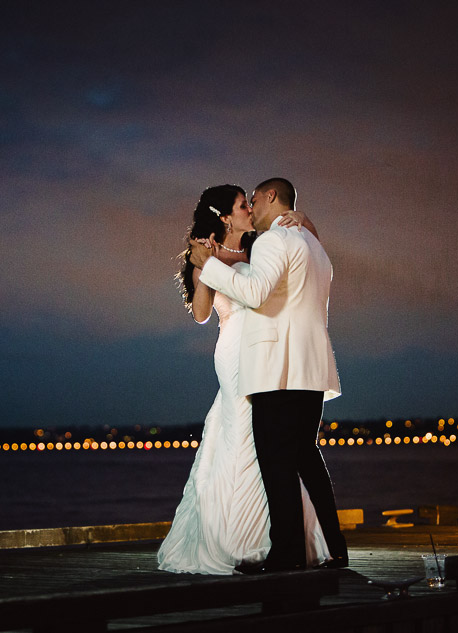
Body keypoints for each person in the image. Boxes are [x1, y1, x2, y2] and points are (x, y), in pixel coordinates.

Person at [157, 184, 330, 575]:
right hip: (235, 353)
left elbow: (303, 255)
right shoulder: (210, 254)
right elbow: (202, 314)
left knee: (268, 445)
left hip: (266, 351)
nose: (249, 209)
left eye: (249, 202)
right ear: (224, 216)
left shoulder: (260, 246)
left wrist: (306, 220)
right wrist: (205, 266)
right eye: (241, 205)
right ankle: (235, 536)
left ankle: (267, 536)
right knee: (242, 434)